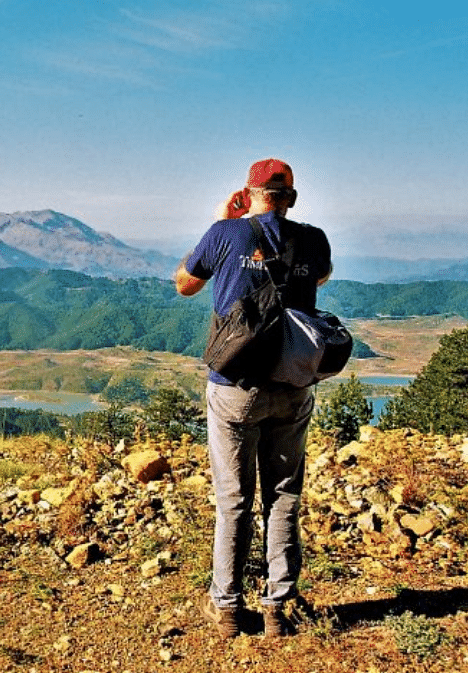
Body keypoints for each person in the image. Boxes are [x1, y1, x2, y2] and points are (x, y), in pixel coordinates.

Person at [174, 159, 332, 638]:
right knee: (284, 496)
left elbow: (184, 283)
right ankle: (277, 610)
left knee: (234, 501)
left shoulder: (226, 232)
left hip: (235, 389)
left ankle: (226, 608)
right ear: (293, 198)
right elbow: (317, 279)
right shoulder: (314, 238)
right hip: (293, 384)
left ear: (249, 193)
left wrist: (229, 219)